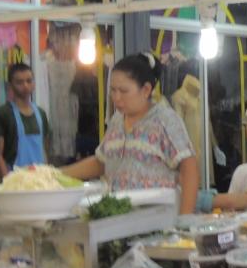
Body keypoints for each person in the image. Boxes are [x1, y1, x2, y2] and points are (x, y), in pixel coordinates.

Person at [62, 53, 200, 214]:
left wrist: (184, 219)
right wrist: (57, 174)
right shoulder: (116, 120)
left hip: (158, 217)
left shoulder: (165, 121)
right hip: (119, 214)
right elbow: (103, 161)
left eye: (123, 91)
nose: (116, 98)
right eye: (113, 90)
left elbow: (189, 168)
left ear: (146, 90)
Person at [0, 62, 51, 178]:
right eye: (19, 82)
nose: (25, 86)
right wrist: (8, 181)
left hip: (40, 178)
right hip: (15, 179)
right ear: (10, 85)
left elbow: (45, 149)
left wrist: (48, 176)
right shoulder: (2, 114)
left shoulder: (41, 114)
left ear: (34, 83)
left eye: (29, 81)